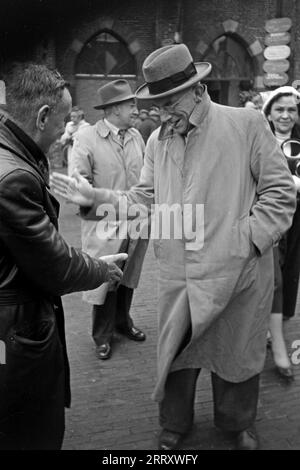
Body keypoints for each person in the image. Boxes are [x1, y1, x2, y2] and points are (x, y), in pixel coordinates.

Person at [51, 44, 296, 450]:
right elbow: (142, 202)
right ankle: (175, 422)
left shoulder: (248, 124)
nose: (162, 115)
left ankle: (236, 423)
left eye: (169, 103)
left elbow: (279, 194)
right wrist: (93, 195)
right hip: (180, 274)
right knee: (177, 354)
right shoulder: (158, 143)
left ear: (197, 90)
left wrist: (246, 241)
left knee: (236, 357)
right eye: (156, 105)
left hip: (240, 273)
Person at [0, 62, 127, 450]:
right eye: (62, 120)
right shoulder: (14, 177)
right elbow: (56, 265)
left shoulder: (11, 151)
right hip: (16, 328)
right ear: (41, 116)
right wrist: (101, 269)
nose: (62, 132)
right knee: (32, 429)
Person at [70, 79, 148, 360]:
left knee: (129, 275)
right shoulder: (87, 137)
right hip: (106, 223)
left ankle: (122, 322)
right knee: (105, 278)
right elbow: (80, 182)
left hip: (136, 220)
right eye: (131, 104)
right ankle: (101, 335)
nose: (135, 109)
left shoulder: (136, 136)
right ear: (115, 109)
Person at [262, 86, 300, 379]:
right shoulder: (260, 139)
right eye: (280, 109)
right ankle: (277, 347)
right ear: (269, 112)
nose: (286, 115)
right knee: (272, 278)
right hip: (269, 218)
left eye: (291, 110)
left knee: (289, 276)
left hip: (297, 218)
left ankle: (276, 328)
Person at [60, 106, 89, 174]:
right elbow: (63, 139)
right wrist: (67, 137)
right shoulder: (69, 125)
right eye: (71, 116)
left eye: (74, 116)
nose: (72, 118)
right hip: (71, 150)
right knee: (71, 167)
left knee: (81, 168)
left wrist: (75, 136)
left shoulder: (86, 126)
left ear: (80, 117)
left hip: (81, 151)